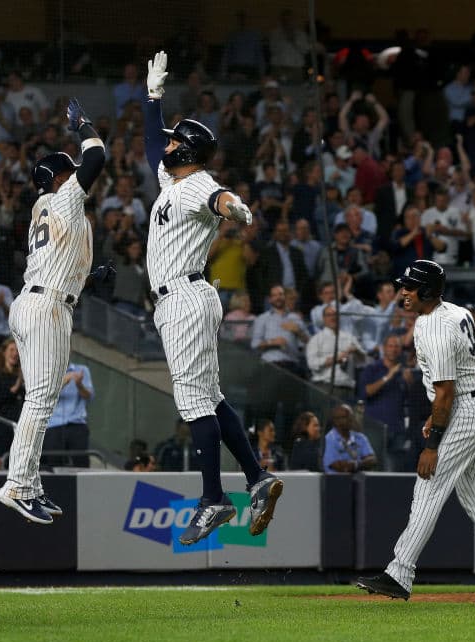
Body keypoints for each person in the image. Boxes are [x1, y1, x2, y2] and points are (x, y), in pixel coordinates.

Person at [142, 51, 282, 545]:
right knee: (211, 398)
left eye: (177, 140)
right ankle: (257, 478)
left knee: (194, 400)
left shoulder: (196, 182)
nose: (169, 143)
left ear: (188, 151)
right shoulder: (172, 181)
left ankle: (213, 498)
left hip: (183, 295)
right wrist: (152, 98)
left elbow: (218, 198)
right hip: (183, 297)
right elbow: (148, 148)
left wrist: (235, 206)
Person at [356, 260, 475, 604]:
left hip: (465, 408)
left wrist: (432, 444)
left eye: (410, 287)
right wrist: (441, 415)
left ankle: (399, 572)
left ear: (429, 291)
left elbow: (447, 391)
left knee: (428, 489)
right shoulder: (455, 312)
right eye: (403, 286)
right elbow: (459, 379)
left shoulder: (434, 327)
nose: (403, 292)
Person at [0, 99, 106, 520]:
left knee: (40, 399)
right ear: (60, 177)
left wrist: (90, 278)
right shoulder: (62, 201)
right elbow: (97, 155)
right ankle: (18, 485)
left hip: (37, 300)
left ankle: (31, 483)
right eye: (69, 170)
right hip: (46, 308)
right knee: (41, 400)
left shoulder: (48, 209)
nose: (74, 174)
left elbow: (59, 263)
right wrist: (83, 126)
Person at [357, 335, 413, 472]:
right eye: (391, 346)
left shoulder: (404, 372)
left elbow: (412, 401)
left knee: (395, 471)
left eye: (397, 347)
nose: (393, 350)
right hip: (375, 428)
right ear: (384, 348)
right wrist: (387, 377)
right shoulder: (372, 369)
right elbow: (365, 392)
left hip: (397, 428)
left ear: (400, 350)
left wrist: (410, 383)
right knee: (373, 467)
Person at [306, 304, 364, 401]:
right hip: (325, 387)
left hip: (347, 388)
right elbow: (312, 363)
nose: (333, 317)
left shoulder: (349, 337)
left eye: (335, 315)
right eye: (329, 315)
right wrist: (336, 358)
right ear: (324, 318)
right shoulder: (316, 339)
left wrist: (357, 352)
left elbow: (364, 361)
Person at [43, 362, 94, 465]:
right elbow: (44, 396)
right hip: (53, 425)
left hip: (77, 423)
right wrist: (64, 381)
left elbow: (89, 397)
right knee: (53, 465)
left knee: (81, 464)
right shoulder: (45, 371)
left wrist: (79, 385)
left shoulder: (82, 369)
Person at [250, 285, 308, 376]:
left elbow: (308, 343)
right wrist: (272, 342)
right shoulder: (262, 318)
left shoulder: (296, 318)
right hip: (270, 364)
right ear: (270, 299)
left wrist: (299, 332)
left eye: (280, 294)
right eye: (274, 295)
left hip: (292, 364)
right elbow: (255, 344)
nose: (278, 298)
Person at [322, 404, 376, 473]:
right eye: (346, 417)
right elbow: (336, 466)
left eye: (350, 416)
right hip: (336, 480)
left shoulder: (360, 437)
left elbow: (372, 460)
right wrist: (363, 464)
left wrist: (355, 465)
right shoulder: (329, 439)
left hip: (360, 480)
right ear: (335, 420)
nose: (350, 419)